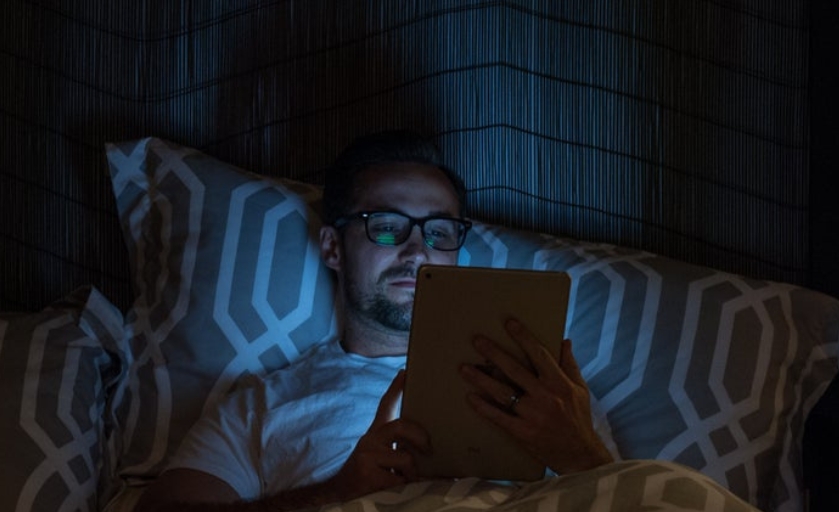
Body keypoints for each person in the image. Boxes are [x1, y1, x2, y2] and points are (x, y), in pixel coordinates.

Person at [136, 131, 614, 512]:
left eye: (439, 231)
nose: (416, 249)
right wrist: (338, 492)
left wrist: (583, 459)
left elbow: (644, 493)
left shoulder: (548, 392)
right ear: (332, 247)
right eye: (386, 225)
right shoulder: (262, 407)